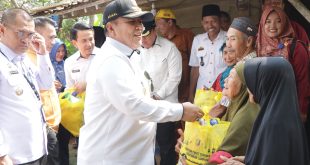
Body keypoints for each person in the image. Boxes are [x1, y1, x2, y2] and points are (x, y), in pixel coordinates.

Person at [77, 0, 204, 164]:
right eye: (132, 22)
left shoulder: (131, 55)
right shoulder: (110, 60)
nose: (140, 27)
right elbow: (133, 104)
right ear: (110, 28)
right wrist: (180, 111)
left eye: (140, 22)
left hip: (130, 154)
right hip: (110, 157)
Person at [220, 57, 309, 165]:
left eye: (254, 81)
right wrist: (250, 159)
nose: (249, 88)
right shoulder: (287, 115)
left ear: (265, 83)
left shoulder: (274, 124)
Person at [176, 62, 259, 165]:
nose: (225, 80)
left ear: (244, 84)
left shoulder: (245, 117)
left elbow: (221, 158)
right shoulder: (231, 104)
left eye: (231, 77)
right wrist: (188, 143)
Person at [0, 8, 54, 164]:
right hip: (14, 156)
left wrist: (43, 54)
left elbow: (46, 84)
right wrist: (1, 154)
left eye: (31, 34)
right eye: (21, 33)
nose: (26, 40)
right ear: (2, 30)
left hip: (37, 149)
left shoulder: (23, 59)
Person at [132, 19, 182, 165]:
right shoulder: (136, 50)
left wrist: (157, 95)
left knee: (166, 146)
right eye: (140, 36)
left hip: (165, 105)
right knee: (146, 146)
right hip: (144, 106)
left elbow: (174, 78)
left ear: (154, 31)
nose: (143, 40)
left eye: (146, 35)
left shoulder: (170, 48)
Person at [256, 6, 310, 122]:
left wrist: (302, 110)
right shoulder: (258, 47)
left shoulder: (296, 47)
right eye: (268, 22)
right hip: (264, 108)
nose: (272, 26)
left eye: (278, 21)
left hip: (290, 107)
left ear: (285, 23)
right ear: (262, 23)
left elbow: (303, 81)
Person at [59, 22, 98, 165]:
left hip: (103, 115)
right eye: (84, 40)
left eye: (91, 39)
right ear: (75, 43)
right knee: (85, 152)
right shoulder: (69, 62)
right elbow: (71, 91)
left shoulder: (104, 57)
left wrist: (87, 84)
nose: (89, 44)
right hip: (82, 117)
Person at [209, 17, 258, 118]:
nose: (229, 45)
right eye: (227, 39)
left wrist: (220, 107)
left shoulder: (246, 65)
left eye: (233, 39)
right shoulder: (251, 60)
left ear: (248, 41)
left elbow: (227, 98)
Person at [188, 4, 227, 103]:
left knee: (222, 118)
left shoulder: (228, 38)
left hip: (223, 91)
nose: (210, 25)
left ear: (219, 21)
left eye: (213, 21)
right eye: (206, 22)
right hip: (202, 92)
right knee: (201, 118)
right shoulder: (198, 40)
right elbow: (195, 68)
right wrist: (190, 94)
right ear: (202, 23)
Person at [155, 8, 194, 102]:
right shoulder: (159, 41)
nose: (158, 27)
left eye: (160, 24)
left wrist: (191, 90)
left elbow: (195, 64)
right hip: (168, 91)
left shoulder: (186, 35)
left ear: (170, 22)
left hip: (185, 88)